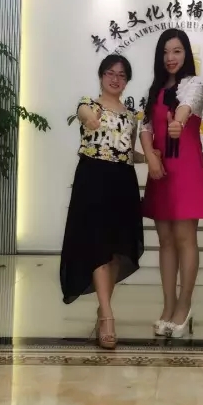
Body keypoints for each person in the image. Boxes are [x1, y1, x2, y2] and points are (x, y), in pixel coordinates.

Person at [60, 54, 144, 350]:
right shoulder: (89, 104)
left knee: (117, 250)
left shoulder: (131, 116)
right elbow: (86, 116)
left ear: (127, 81)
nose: (115, 79)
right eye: (110, 73)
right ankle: (107, 317)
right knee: (98, 246)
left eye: (121, 75)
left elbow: (127, 151)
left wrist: (151, 158)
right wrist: (91, 119)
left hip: (123, 182)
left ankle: (103, 307)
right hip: (93, 179)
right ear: (101, 76)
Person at [140, 29, 203, 338]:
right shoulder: (155, 89)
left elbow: (187, 105)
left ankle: (184, 305)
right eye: (165, 52)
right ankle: (168, 305)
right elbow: (145, 127)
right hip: (160, 168)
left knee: (185, 238)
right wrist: (150, 157)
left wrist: (178, 122)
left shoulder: (194, 83)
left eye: (177, 51)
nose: (170, 58)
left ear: (186, 54)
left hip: (186, 168)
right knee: (165, 240)